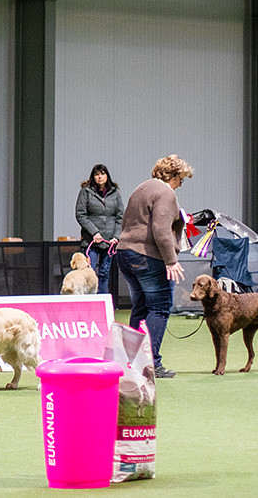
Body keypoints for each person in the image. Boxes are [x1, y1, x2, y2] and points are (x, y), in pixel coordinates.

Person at [116, 154, 192, 378]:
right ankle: (151, 363)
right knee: (159, 307)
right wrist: (171, 260)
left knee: (140, 307)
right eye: (181, 179)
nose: (181, 184)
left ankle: (131, 360)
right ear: (174, 176)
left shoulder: (142, 188)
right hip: (147, 256)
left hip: (125, 253)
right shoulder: (166, 192)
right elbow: (160, 230)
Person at [75, 164, 124, 294]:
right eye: (97, 174)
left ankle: (102, 301)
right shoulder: (86, 192)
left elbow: (120, 217)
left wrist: (116, 236)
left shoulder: (115, 193)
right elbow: (80, 214)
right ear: (93, 177)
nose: (100, 177)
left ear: (107, 176)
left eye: (102, 174)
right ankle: (87, 303)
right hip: (91, 240)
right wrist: (94, 232)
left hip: (109, 241)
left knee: (104, 273)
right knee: (87, 272)